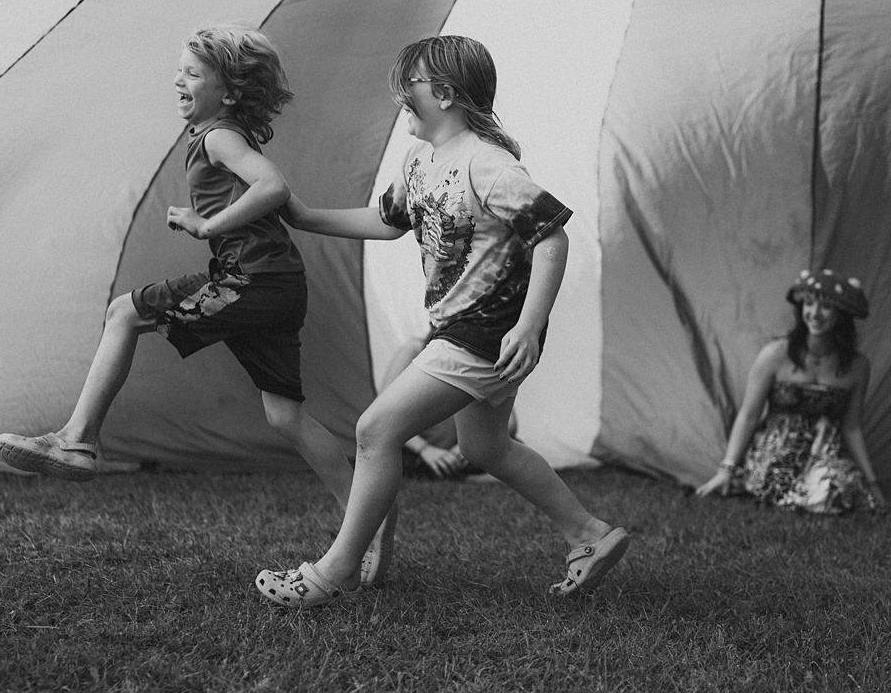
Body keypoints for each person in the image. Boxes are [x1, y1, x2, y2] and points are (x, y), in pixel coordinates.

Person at [0, 25, 394, 583]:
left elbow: (272, 188)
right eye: (179, 70)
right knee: (285, 415)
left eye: (192, 73)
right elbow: (288, 206)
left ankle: (76, 441)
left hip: (248, 278)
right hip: (278, 282)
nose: (178, 80)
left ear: (227, 91)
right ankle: (370, 515)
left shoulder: (218, 137)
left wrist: (208, 224)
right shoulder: (220, 134)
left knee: (123, 312)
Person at [255, 35, 629, 607]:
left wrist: (528, 326)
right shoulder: (422, 160)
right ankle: (589, 534)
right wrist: (303, 216)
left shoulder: (487, 163)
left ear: (446, 94)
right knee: (486, 449)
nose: (401, 95)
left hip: (486, 331)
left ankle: (337, 571)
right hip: (466, 329)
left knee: (376, 430)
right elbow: (388, 222)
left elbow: (551, 235)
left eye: (412, 85)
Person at [695, 269, 887, 514]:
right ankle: (776, 489)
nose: (814, 314)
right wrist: (726, 470)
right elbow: (748, 416)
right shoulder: (775, 354)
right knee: (795, 484)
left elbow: (852, 428)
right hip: (774, 455)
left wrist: (873, 483)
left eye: (825, 307)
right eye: (808, 304)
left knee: (843, 485)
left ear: (843, 314)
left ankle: (809, 494)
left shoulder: (858, 366)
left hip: (824, 456)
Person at [387, 331, 518, 480]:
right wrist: (425, 450)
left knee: (513, 450)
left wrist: (465, 450)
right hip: (417, 449)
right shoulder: (414, 350)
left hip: (462, 451)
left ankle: (466, 475)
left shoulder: (475, 353)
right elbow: (385, 420)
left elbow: (510, 423)